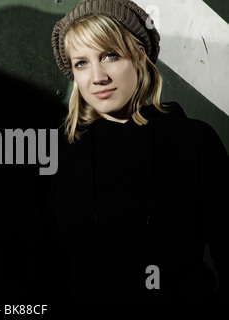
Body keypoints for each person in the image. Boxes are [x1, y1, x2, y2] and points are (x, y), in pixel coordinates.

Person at [50, 0, 228, 299]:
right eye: (82, 63)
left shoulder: (194, 142)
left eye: (110, 55)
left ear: (139, 57)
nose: (97, 77)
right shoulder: (57, 153)